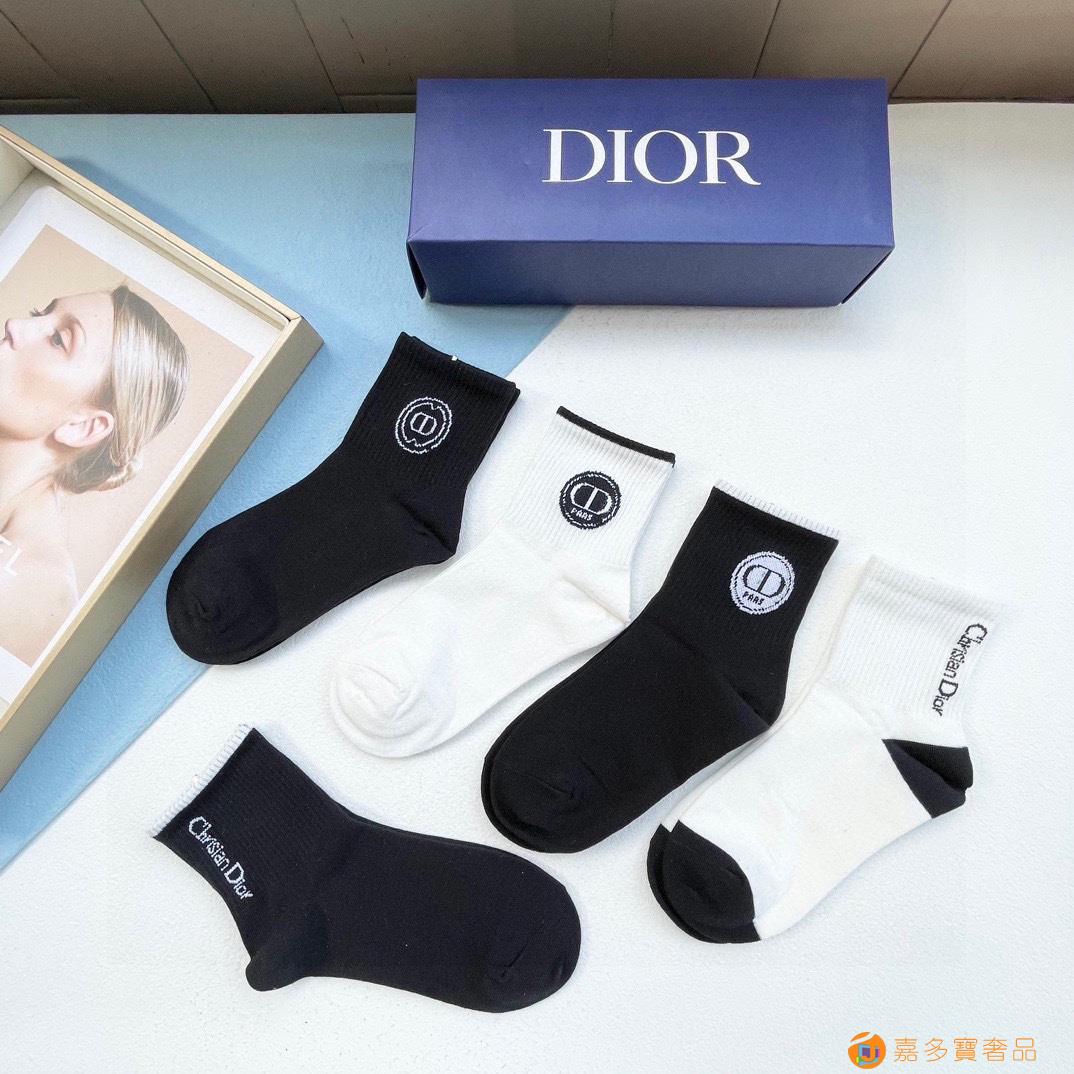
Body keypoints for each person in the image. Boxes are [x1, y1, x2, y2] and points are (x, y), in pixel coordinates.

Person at [0, 284, 188, 666]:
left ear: (83, 427)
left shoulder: (34, 590)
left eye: (58, 339)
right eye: (40, 314)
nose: (14, 325)